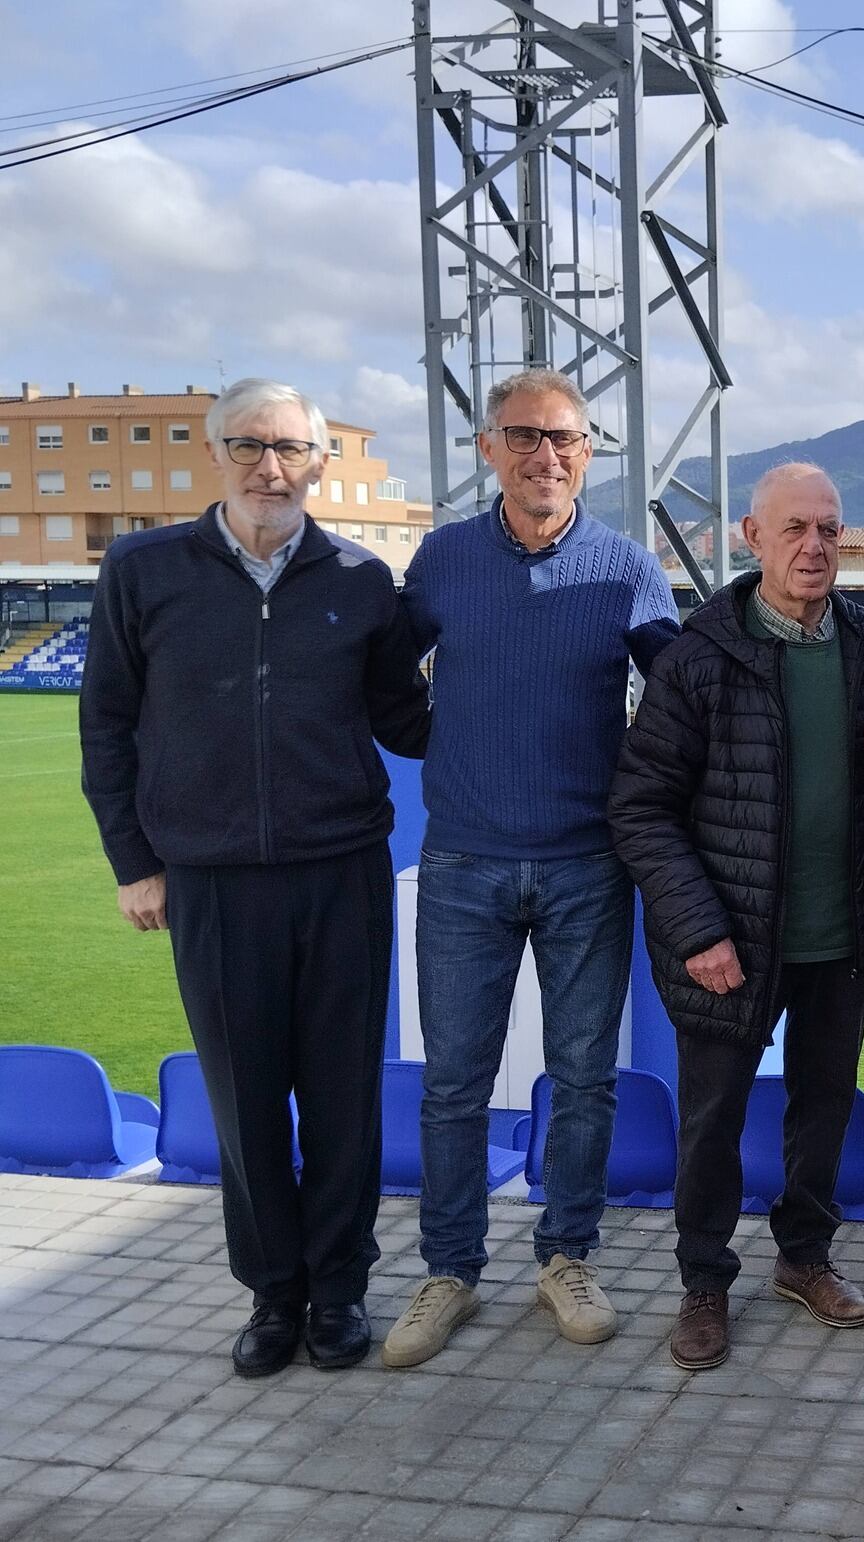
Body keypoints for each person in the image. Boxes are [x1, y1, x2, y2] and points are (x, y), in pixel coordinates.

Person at [79, 377, 431, 1376]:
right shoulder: (145, 570)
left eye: (289, 449)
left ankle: (339, 1292)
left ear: (321, 462)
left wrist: (511, 692)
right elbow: (105, 725)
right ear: (215, 453)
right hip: (211, 882)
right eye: (249, 446)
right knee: (243, 1100)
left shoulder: (363, 579)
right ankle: (274, 1295)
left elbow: (406, 722)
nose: (270, 467)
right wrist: (135, 862)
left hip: (343, 875)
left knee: (341, 1099)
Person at [382, 367, 680, 1369]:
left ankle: (566, 1257)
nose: (543, 455)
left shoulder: (627, 569)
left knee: (585, 1079)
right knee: (453, 1086)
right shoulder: (444, 559)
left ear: (587, 452)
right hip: (462, 861)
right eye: (522, 436)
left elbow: (677, 703)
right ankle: (450, 1271)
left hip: (586, 866)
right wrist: (438, 742)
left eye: (562, 438)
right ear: (487, 448)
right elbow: (384, 674)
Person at [611, 463, 864, 1371]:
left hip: (840, 934)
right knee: (712, 1121)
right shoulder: (699, 655)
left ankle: (805, 1258)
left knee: (821, 1109)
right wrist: (699, 930)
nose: (814, 547)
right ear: (751, 535)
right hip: (730, 941)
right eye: (794, 530)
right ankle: (704, 1283)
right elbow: (641, 806)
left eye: (829, 529)